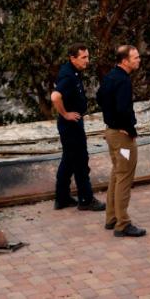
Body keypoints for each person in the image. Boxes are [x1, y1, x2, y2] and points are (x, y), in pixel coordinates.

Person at [96, 45, 146, 237]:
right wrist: (129, 129)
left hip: (111, 132)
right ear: (125, 61)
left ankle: (111, 218)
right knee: (124, 177)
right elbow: (124, 109)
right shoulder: (123, 81)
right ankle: (122, 224)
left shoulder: (110, 76)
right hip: (122, 137)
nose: (138, 60)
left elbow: (99, 97)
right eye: (135, 58)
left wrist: (112, 119)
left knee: (117, 175)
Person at [51, 43, 105, 212]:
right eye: (83, 57)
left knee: (68, 160)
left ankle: (62, 197)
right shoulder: (68, 76)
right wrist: (65, 114)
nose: (87, 61)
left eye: (87, 56)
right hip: (70, 125)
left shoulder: (72, 71)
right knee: (80, 161)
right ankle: (85, 199)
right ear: (72, 58)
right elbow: (55, 96)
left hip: (71, 124)